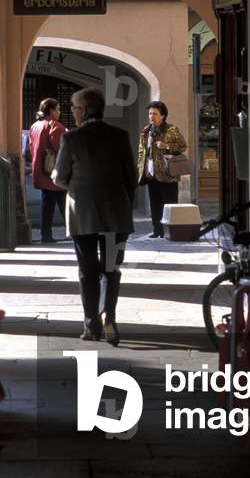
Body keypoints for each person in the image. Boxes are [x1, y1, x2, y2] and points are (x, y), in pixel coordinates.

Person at [51, 87, 137, 345]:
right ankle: (108, 315)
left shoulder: (72, 139)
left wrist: (78, 187)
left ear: (84, 110)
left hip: (83, 216)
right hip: (115, 217)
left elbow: (58, 177)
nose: (73, 112)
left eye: (75, 108)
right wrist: (124, 206)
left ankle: (91, 325)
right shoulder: (120, 136)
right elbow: (130, 178)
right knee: (110, 267)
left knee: (86, 270)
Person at [137, 100, 187, 238]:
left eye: (155, 113)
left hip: (167, 173)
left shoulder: (171, 130)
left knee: (169, 204)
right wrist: (141, 170)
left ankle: (170, 230)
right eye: (150, 113)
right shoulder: (146, 131)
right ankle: (157, 230)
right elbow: (141, 152)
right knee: (155, 203)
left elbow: (183, 146)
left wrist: (167, 146)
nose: (151, 116)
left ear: (163, 115)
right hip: (151, 172)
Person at [28, 97, 67, 243]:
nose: (59, 112)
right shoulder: (55, 126)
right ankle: (76, 232)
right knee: (64, 203)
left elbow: (31, 147)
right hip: (54, 171)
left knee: (48, 203)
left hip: (41, 170)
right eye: (57, 109)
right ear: (51, 111)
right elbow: (61, 148)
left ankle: (46, 234)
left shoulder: (35, 126)